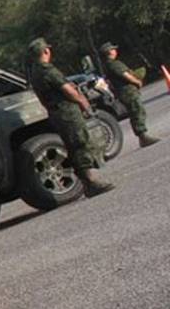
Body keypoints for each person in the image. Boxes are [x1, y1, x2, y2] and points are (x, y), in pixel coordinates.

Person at [25, 38, 114, 197]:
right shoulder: (47, 70)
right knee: (80, 143)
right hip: (68, 112)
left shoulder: (35, 74)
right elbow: (68, 90)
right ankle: (90, 182)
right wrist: (83, 102)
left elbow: (42, 99)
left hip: (56, 113)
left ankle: (87, 182)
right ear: (46, 51)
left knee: (73, 145)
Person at [99, 42, 159, 147]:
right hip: (127, 91)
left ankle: (142, 136)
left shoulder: (107, 65)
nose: (115, 51)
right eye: (113, 49)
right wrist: (137, 81)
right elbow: (125, 75)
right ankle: (143, 136)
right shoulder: (114, 64)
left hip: (123, 92)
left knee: (135, 111)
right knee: (137, 111)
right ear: (109, 52)